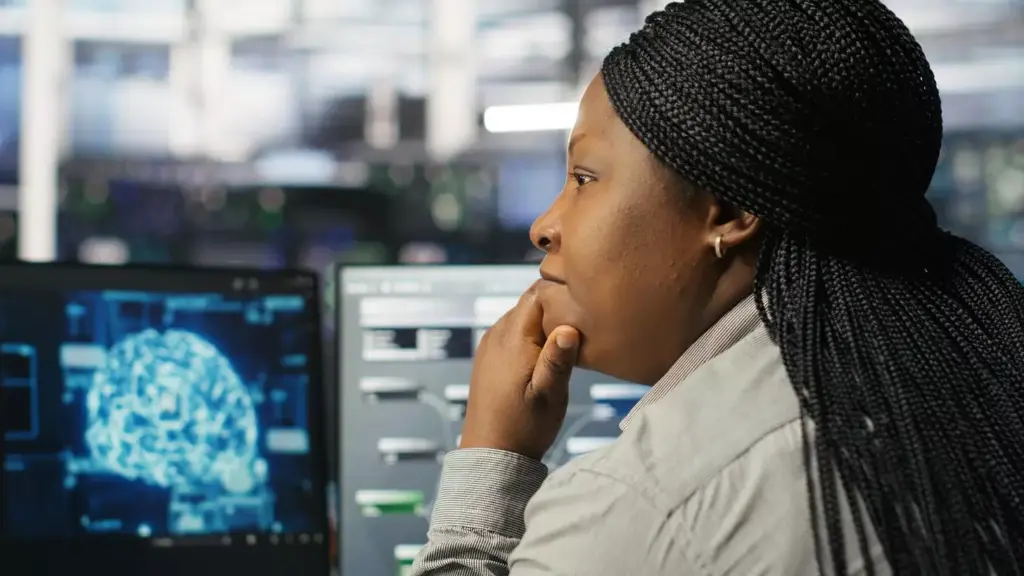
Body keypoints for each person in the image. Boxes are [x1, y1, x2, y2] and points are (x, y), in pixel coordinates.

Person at [412, 0, 1024, 574]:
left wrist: (491, 458)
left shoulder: (640, 507)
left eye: (584, 177)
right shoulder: (975, 357)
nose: (544, 226)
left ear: (729, 213)